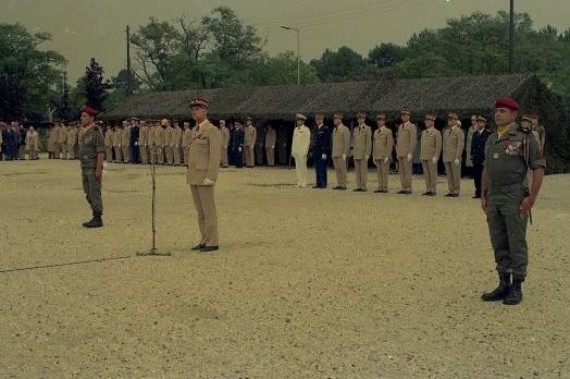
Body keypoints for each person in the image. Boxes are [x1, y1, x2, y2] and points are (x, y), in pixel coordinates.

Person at [481, 97, 546, 305]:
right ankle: (503, 283)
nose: (497, 114)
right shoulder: (492, 139)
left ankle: (517, 285)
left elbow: (538, 167)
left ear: (513, 114)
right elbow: (486, 168)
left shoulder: (524, 138)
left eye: (502, 111)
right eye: (496, 111)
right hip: (494, 196)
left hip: (514, 195)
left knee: (516, 241)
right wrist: (483, 194)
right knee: (498, 240)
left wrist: (532, 197)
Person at [187, 96, 222, 253]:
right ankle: (204, 239)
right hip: (194, 175)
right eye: (193, 110)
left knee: (208, 210)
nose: (195, 112)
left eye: (198, 109)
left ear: (205, 111)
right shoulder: (194, 130)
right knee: (200, 211)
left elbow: (215, 156)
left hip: (205, 176)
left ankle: (213, 240)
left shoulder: (212, 131)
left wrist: (211, 176)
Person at [78, 106, 105, 228]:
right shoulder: (83, 131)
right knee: (88, 192)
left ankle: (97, 217)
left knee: (94, 192)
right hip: (85, 167)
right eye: (82, 116)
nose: (82, 118)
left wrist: (99, 169)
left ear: (91, 118)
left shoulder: (95, 132)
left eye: (85, 116)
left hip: (93, 167)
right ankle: (95, 214)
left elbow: (100, 152)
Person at [442, 112, 465, 197]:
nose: (449, 121)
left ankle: (456, 190)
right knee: (449, 174)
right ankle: (451, 190)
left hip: (455, 157)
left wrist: (457, 157)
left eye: (451, 119)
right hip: (447, 156)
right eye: (448, 119)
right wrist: (443, 156)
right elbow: (444, 145)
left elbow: (460, 145)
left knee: (455, 174)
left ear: (456, 121)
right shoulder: (447, 132)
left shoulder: (459, 132)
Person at [396, 107, 417, 194]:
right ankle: (403, 187)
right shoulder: (400, 126)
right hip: (400, 151)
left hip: (407, 152)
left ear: (409, 116)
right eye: (402, 115)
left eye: (405, 115)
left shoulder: (412, 126)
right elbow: (398, 140)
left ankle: (408, 187)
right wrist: (397, 151)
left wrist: (410, 152)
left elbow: (413, 140)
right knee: (401, 171)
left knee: (407, 171)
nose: (403, 117)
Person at [420, 114, 442, 196]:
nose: (426, 122)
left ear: (433, 122)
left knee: (433, 173)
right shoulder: (423, 132)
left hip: (432, 156)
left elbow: (438, 145)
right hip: (424, 155)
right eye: (426, 121)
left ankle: (433, 189)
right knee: (426, 174)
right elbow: (422, 144)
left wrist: (436, 156)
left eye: (428, 121)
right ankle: (428, 188)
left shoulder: (436, 133)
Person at [471, 115, 492, 198]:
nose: (479, 124)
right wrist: (472, 155)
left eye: (480, 122)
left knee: (484, 177)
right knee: (476, 176)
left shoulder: (488, 134)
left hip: (484, 158)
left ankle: (485, 193)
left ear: (484, 123)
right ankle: (478, 192)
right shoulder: (475, 134)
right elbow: (473, 146)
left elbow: (489, 147)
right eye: (478, 122)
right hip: (476, 158)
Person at [372, 113, 394, 193]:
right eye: (378, 120)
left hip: (384, 155)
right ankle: (380, 186)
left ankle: (385, 187)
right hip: (377, 155)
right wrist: (373, 155)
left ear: (384, 122)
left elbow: (389, 144)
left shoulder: (388, 131)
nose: (379, 122)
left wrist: (387, 155)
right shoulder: (375, 132)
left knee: (385, 172)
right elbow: (374, 144)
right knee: (379, 172)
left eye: (381, 120)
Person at [352, 111, 372, 192]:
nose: (360, 120)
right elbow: (354, 141)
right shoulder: (355, 129)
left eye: (361, 118)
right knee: (357, 170)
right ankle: (358, 185)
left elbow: (369, 142)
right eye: (358, 119)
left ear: (364, 119)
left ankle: (363, 186)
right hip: (356, 152)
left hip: (363, 153)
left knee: (363, 170)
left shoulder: (367, 129)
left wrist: (368, 153)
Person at [331, 112, 351, 190]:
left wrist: (345, 153)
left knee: (342, 169)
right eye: (334, 118)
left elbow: (347, 142)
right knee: (337, 170)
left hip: (341, 153)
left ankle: (343, 184)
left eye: (336, 118)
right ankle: (339, 183)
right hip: (335, 152)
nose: (334, 120)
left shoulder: (345, 129)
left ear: (340, 119)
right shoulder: (335, 129)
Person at [311, 112, 331, 189]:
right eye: (316, 119)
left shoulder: (325, 129)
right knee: (317, 168)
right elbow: (314, 141)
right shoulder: (316, 129)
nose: (317, 120)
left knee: (322, 168)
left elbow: (327, 141)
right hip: (316, 152)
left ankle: (323, 183)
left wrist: (325, 152)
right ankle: (318, 183)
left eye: (319, 119)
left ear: (322, 120)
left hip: (322, 152)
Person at [291, 114, 311, 187]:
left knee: (303, 167)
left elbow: (307, 141)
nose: (298, 121)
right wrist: (293, 151)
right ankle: (299, 181)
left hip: (302, 152)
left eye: (300, 120)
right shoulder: (296, 129)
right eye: (297, 120)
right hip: (296, 151)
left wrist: (305, 151)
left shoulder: (306, 129)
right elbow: (294, 141)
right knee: (298, 168)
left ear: (303, 121)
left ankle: (304, 182)